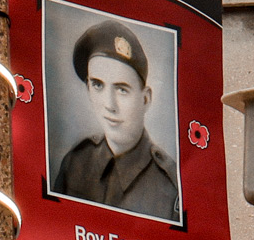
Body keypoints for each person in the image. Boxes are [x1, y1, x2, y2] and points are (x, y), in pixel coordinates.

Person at [56, 18, 180, 221]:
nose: (109, 105)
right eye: (97, 85)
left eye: (122, 89)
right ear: (88, 88)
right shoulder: (75, 164)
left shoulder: (171, 185)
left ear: (145, 99)